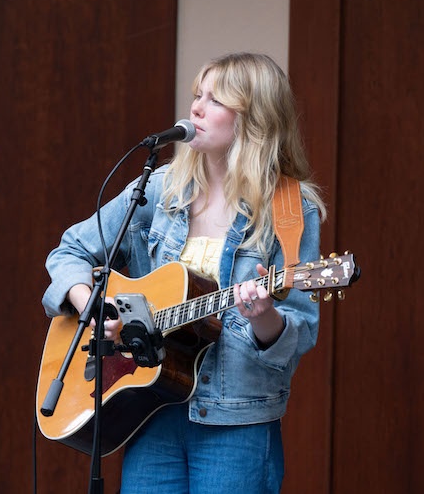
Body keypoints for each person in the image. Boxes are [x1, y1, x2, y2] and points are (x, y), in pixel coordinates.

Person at [41, 53, 326, 493]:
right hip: (150, 409)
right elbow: (71, 251)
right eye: (197, 95)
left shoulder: (290, 210)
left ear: (256, 119)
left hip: (235, 423)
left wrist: (263, 317)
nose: (195, 108)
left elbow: (299, 332)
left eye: (216, 99)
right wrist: (91, 305)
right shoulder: (160, 188)